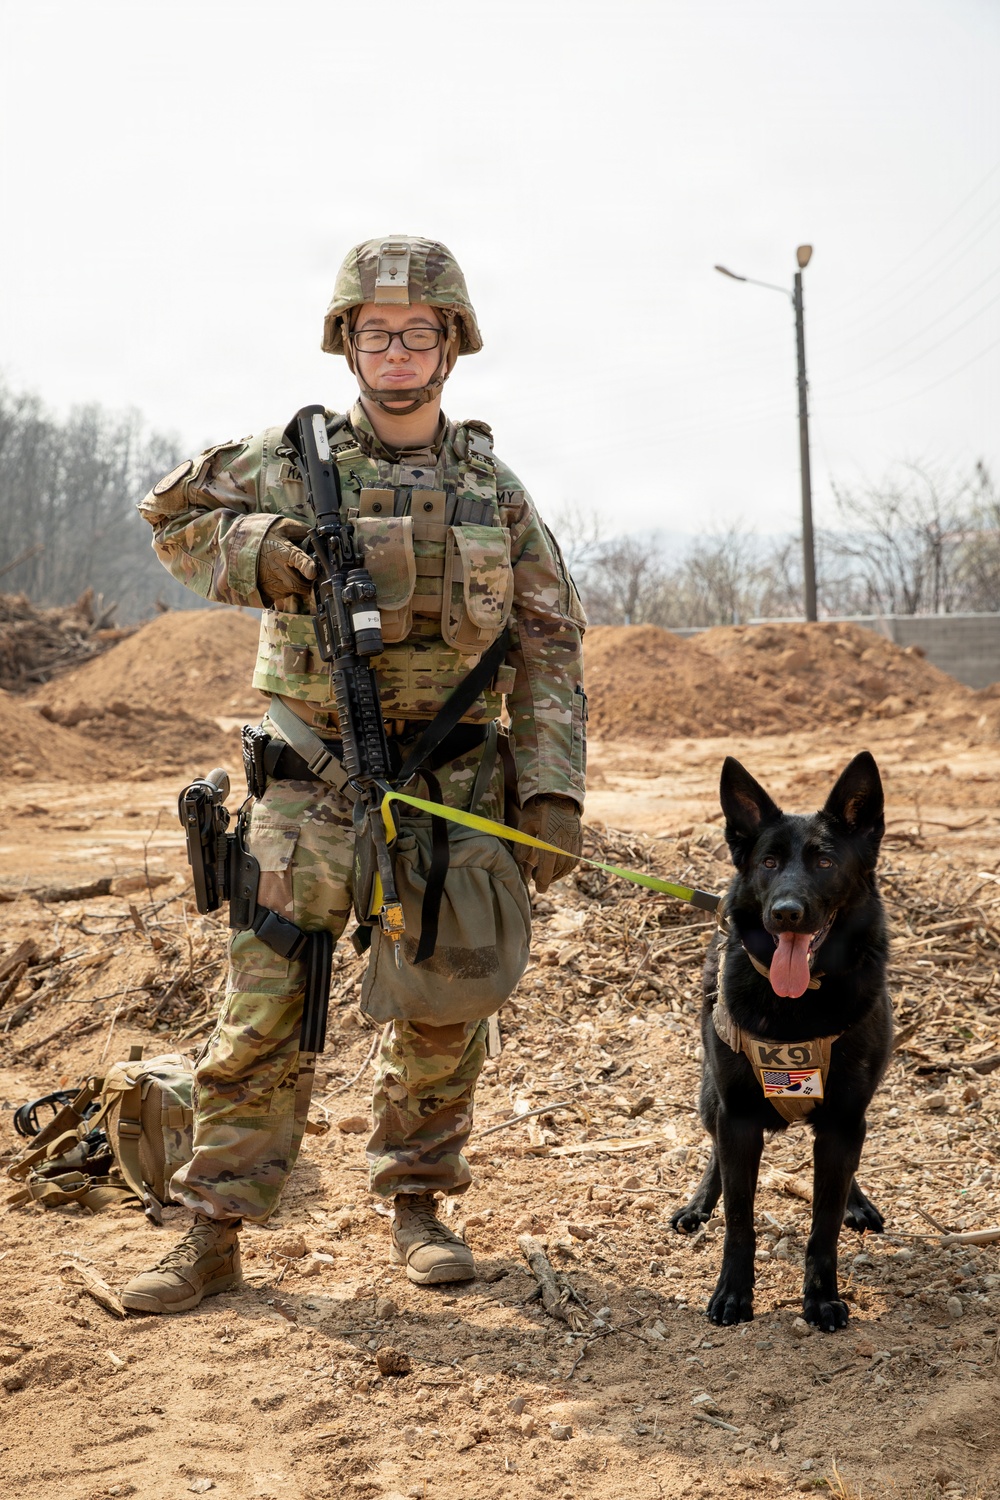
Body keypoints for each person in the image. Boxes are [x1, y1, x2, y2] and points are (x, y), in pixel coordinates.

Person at [121, 236, 587, 1314]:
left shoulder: (494, 490)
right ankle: (211, 1230)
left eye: (417, 333)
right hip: (312, 781)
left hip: (455, 788)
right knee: (264, 1007)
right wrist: (266, 551)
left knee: (443, 1009)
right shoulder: (289, 460)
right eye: (374, 332)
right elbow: (171, 519)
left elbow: (550, 640)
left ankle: (418, 1202)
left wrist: (551, 787)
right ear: (345, 342)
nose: (395, 350)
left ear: (452, 346)